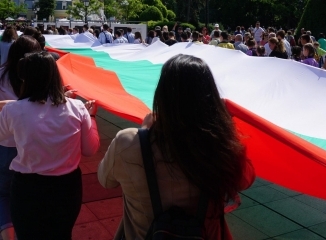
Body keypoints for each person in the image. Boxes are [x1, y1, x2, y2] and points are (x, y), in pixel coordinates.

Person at [98, 54, 255, 240]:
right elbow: (245, 180)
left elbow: (105, 180)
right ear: (210, 97)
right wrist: (224, 127)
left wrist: (143, 133)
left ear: (162, 95)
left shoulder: (126, 143)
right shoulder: (223, 149)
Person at [0, 51, 100, 239]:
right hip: (66, 189)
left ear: (25, 78)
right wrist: (92, 117)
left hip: (27, 189)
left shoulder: (13, 110)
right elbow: (90, 149)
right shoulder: (77, 108)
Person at [0, 35, 42, 240]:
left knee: (4, 194)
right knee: (31, 192)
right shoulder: (41, 81)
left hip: (5, 144)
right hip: (33, 144)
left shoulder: (1, 75)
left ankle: (8, 233)